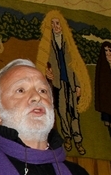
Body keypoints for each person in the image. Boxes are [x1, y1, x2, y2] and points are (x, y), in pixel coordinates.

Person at [36, 10, 92, 155]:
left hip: (71, 83)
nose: (56, 26)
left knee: (74, 112)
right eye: (53, 24)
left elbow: (77, 66)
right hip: (58, 84)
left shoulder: (69, 44)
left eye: (58, 23)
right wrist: (46, 72)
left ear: (63, 25)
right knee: (62, 112)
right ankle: (67, 137)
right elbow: (43, 63)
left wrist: (78, 85)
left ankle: (78, 140)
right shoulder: (48, 45)